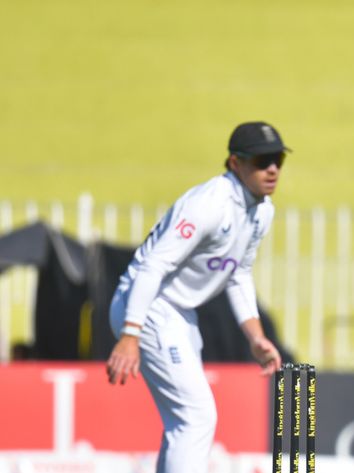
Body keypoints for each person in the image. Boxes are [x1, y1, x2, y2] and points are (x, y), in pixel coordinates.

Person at [105, 121, 287, 473]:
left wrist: (256, 337)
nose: (272, 169)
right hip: (147, 304)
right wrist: (130, 334)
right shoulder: (208, 204)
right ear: (235, 163)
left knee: (185, 422)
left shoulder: (262, 210)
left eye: (278, 159)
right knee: (196, 415)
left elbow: (238, 273)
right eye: (262, 160)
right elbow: (153, 266)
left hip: (179, 313)